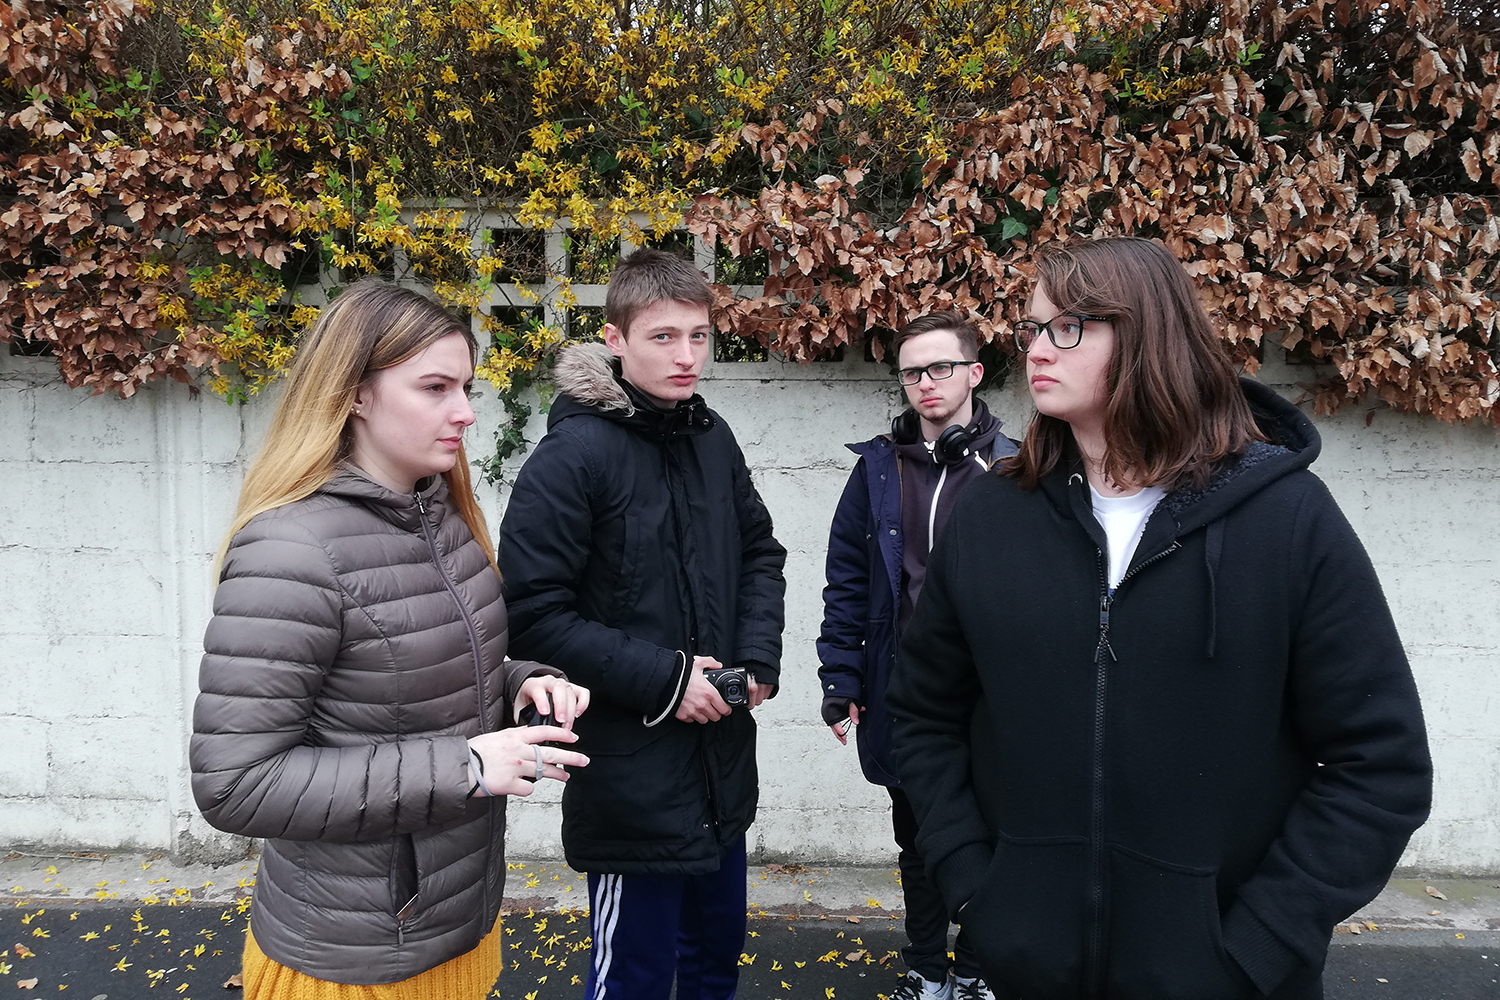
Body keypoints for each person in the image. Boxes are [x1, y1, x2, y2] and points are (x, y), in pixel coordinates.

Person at [887, 238, 1432, 1000]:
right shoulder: (990, 519)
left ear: (1146, 333)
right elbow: (922, 714)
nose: (1038, 348)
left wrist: (1255, 945)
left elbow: (1381, 767)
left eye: (1066, 327)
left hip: (1228, 977)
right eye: (1032, 328)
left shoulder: (1287, 521)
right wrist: (980, 890)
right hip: (1030, 967)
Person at [190, 281, 590, 999]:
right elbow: (237, 784)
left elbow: (420, 682)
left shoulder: (443, 516)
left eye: (465, 387)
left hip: (455, 931)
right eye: (434, 387)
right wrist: (466, 765)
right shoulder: (290, 551)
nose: (465, 412)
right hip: (353, 965)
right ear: (354, 395)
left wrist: (521, 682)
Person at [498, 248, 787, 1000]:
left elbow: (761, 549)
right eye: (663, 337)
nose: (687, 356)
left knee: (712, 966)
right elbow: (531, 616)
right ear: (616, 339)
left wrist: (756, 658)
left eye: (699, 336)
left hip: (721, 770)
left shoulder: (711, 437)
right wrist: (666, 680)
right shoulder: (571, 458)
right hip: (631, 780)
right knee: (633, 979)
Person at [817, 311, 1016, 1000]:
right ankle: (928, 968)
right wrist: (840, 677)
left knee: (990, 836)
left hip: (992, 700)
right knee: (920, 841)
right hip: (903, 693)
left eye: (940, 368)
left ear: (974, 373)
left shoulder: (1019, 469)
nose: (925, 383)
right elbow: (846, 582)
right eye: (912, 371)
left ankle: (978, 970)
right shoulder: (875, 472)